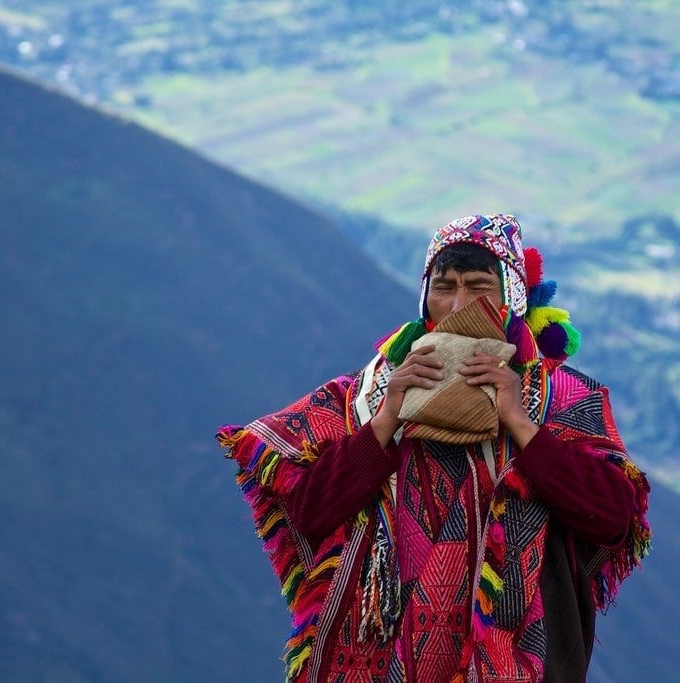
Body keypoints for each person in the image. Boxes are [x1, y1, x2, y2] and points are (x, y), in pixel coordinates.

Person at [217, 213, 651, 682]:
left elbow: (612, 516)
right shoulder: (365, 394)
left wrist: (522, 427)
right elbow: (310, 511)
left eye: (480, 286)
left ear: (514, 296)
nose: (458, 303)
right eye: (443, 286)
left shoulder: (564, 398)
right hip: (379, 658)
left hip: (514, 658)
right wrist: (385, 421)